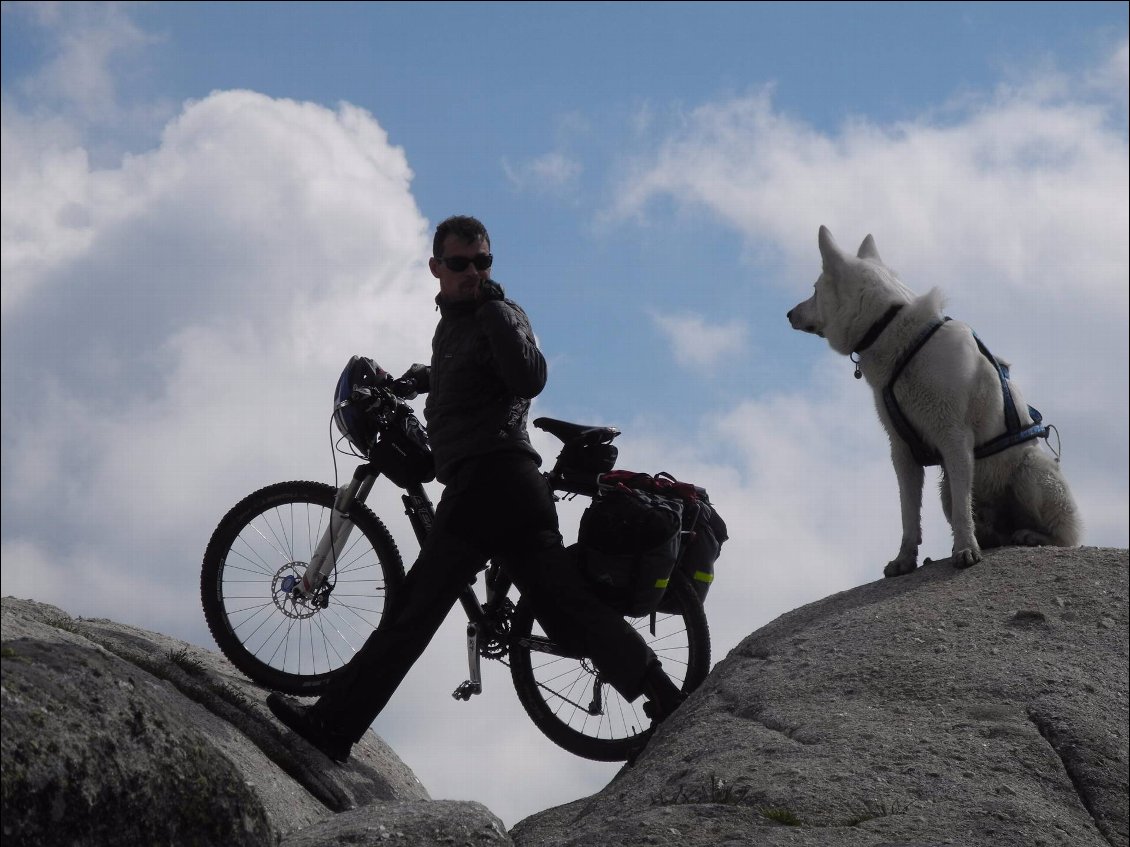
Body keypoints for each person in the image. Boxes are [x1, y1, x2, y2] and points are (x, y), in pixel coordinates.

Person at [267, 215, 684, 763]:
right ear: (436, 268)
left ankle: (332, 725)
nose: (472, 272)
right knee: (565, 607)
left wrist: (494, 311)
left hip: (490, 481)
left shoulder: (493, 312)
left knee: (416, 608)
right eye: (460, 263)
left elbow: (528, 376)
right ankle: (666, 695)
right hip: (508, 488)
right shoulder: (456, 324)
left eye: (481, 262)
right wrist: (419, 378)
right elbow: (466, 375)